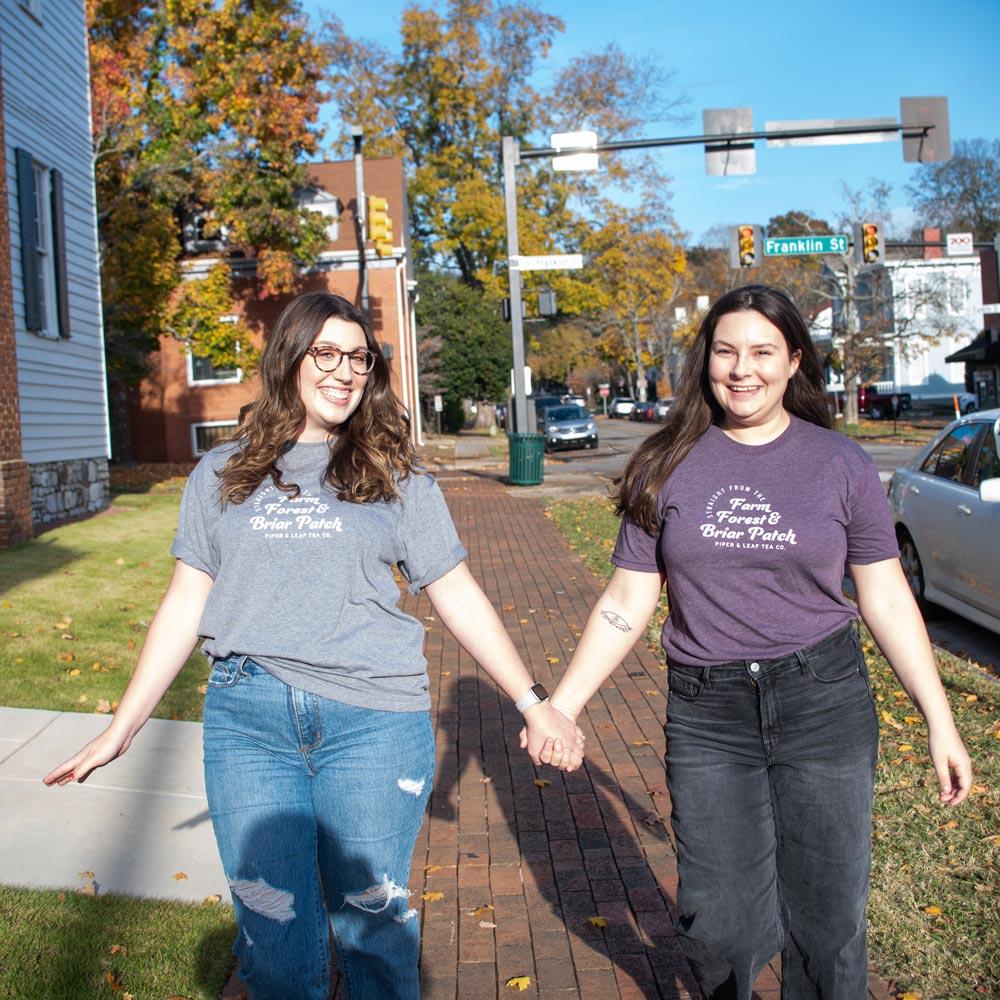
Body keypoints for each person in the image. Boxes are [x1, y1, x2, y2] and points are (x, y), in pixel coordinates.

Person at [44, 292, 584, 1000]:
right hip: (249, 725)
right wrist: (123, 727)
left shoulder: (395, 472)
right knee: (274, 950)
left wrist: (533, 702)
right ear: (289, 361)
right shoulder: (221, 472)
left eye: (357, 357)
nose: (343, 371)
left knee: (374, 934)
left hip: (374, 725)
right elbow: (184, 603)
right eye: (324, 353)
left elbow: (454, 590)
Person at [530, 285, 971, 998]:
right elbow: (626, 600)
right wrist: (566, 705)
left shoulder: (842, 464)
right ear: (707, 361)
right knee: (721, 927)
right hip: (711, 713)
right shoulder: (665, 462)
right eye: (726, 351)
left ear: (793, 360)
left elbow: (885, 594)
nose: (743, 369)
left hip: (823, 700)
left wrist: (938, 719)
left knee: (829, 927)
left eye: (763, 352)